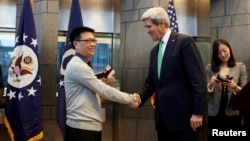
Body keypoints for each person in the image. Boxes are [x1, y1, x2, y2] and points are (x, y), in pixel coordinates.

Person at [132, 7, 207, 141]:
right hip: (163, 120)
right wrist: (138, 98)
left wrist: (198, 112)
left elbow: (198, 81)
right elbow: (151, 82)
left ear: (162, 23)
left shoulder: (184, 42)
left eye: (149, 26)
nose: (147, 31)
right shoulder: (154, 51)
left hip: (186, 119)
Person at [64, 26, 140, 141]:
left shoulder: (83, 64)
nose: (93, 44)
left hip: (87, 126)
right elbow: (103, 90)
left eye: (94, 40)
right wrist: (131, 98)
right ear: (76, 44)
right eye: (88, 41)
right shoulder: (78, 65)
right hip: (82, 128)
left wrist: (101, 81)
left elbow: (90, 87)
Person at [206, 39, 247, 140]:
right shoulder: (209, 68)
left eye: (225, 50)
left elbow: (245, 93)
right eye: (219, 53)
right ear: (215, 55)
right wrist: (210, 85)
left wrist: (234, 86)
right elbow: (205, 93)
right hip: (214, 113)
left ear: (229, 49)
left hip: (232, 112)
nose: (223, 54)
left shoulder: (240, 67)